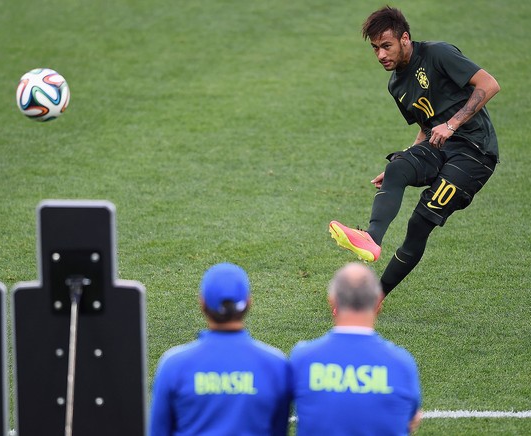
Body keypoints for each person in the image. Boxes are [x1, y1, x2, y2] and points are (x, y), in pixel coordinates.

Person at [329, 6, 500, 298]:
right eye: (375, 49)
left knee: (419, 223)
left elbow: (489, 84)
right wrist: (405, 160)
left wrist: (452, 123)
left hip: (475, 154)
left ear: (405, 38)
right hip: (439, 144)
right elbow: (426, 127)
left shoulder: (437, 54)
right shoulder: (396, 84)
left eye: (386, 46)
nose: (381, 55)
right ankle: (371, 238)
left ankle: (376, 297)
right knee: (397, 166)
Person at [148, 262, 291, 436]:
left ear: (202, 303)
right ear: (248, 303)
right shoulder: (276, 365)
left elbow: (158, 431)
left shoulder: (173, 365)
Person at [290, 262, 422, 435]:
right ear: (377, 302)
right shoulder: (402, 363)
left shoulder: (302, 358)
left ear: (332, 302)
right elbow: (412, 420)